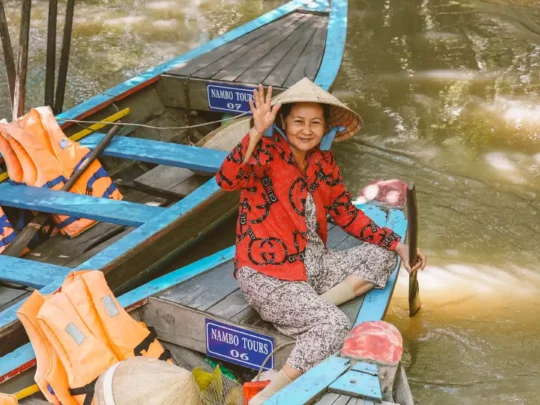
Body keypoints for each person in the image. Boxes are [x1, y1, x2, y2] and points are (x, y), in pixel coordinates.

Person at [216, 78, 426, 405]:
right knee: (332, 327)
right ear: (283, 122)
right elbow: (226, 179)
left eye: (315, 123)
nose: (306, 130)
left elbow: (346, 214)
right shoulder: (265, 154)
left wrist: (398, 245)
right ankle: (265, 399)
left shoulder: (324, 163)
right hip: (267, 274)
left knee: (385, 255)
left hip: (313, 265)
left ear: (325, 127)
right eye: (298, 121)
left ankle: (314, 307)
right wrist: (256, 131)